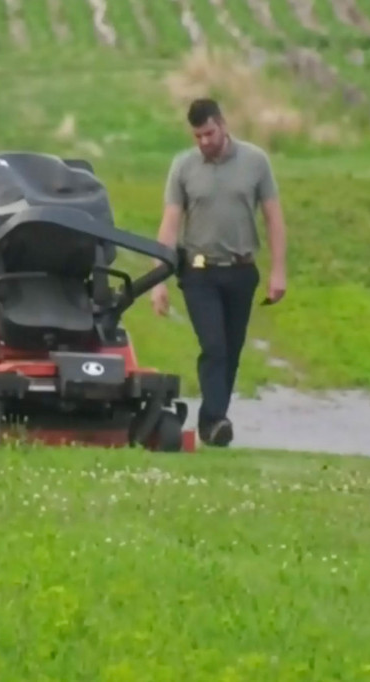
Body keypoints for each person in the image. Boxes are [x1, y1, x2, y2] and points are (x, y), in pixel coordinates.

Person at [150, 98, 288, 447]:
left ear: (222, 125)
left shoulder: (255, 162)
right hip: (199, 273)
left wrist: (278, 271)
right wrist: (158, 280)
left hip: (241, 270)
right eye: (197, 136)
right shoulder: (183, 166)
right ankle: (214, 419)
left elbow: (273, 218)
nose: (204, 142)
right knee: (213, 346)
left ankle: (213, 424)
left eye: (209, 133)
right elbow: (170, 223)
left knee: (231, 349)